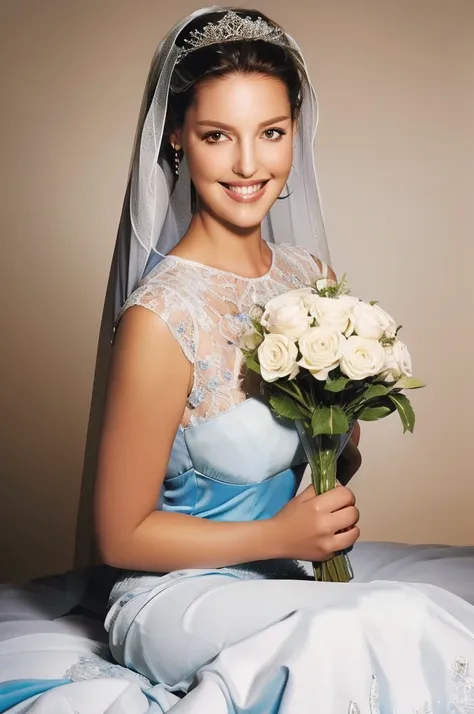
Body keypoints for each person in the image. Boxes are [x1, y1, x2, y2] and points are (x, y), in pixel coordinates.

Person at [94, 7, 474, 712]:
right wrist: (280, 534)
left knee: (415, 618)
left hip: (288, 576)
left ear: (296, 131)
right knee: (371, 623)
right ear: (177, 137)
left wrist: (341, 438)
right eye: (217, 136)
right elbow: (120, 534)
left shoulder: (308, 276)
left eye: (271, 133)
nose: (248, 165)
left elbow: (316, 453)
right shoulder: (161, 317)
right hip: (178, 597)